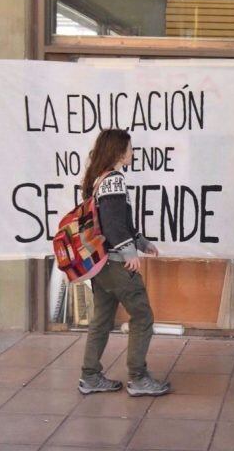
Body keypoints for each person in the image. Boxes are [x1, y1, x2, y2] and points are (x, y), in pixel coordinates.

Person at [79, 129, 169, 397]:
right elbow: (115, 225)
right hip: (118, 264)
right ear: (118, 152)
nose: (132, 152)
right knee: (142, 316)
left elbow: (116, 221)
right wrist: (130, 253)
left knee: (102, 320)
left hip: (101, 266)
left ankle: (90, 376)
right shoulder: (114, 180)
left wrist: (141, 243)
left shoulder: (98, 180)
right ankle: (138, 378)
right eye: (130, 148)